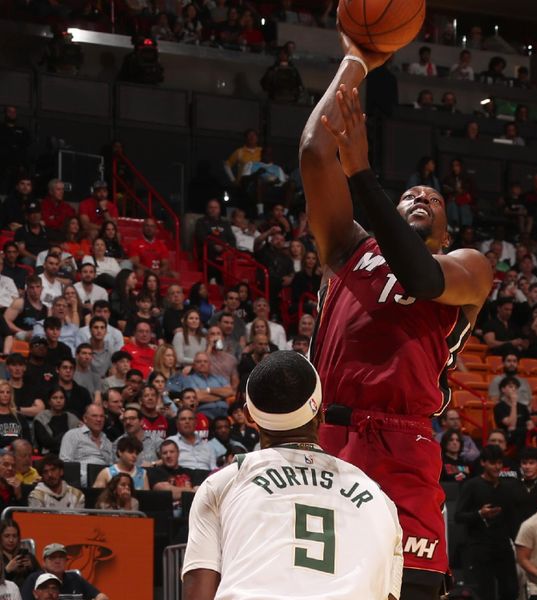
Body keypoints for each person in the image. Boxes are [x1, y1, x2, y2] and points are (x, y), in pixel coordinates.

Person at [300, 42, 492, 598]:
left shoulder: (468, 268)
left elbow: (421, 281)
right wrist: (356, 59)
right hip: (327, 434)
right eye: (410, 194)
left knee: (411, 586)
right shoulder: (347, 247)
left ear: (448, 231)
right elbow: (315, 153)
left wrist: (364, 176)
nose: (419, 197)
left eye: (431, 198)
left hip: (402, 442)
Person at [182, 351, 403, 600]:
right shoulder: (378, 497)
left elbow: (199, 592)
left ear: (248, 415)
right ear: (320, 409)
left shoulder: (222, 484)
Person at [454, 445, 518, 600]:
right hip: (480, 547)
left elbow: (512, 519)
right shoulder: (472, 485)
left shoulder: (506, 487)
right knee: (485, 593)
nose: (497, 467)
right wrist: (479, 514)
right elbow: (458, 516)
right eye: (492, 463)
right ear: (483, 463)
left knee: (510, 590)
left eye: (499, 463)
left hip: (503, 546)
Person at [20, 542, 108, 600]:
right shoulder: (34, 579)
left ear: (66, 560)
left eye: (61, 557)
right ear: (43, 562)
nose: (57, 561)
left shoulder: (75, 578)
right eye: (52, 557)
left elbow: (102, 597)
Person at [58, 404, 113, 487]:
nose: (99, 419)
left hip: (105, 480)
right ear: (85, 419)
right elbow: (65, 462)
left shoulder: (107, 441)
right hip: (81, 481)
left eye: (102, 416)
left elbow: (112, 465)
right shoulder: (73, 435)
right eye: (94, 416)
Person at [1, 519, 39, 589]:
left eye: (14, 536)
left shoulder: (27, 556)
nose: (11, 540)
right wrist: (6, 571)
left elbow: (41, 580)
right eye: (7, 536)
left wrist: (32, 568)